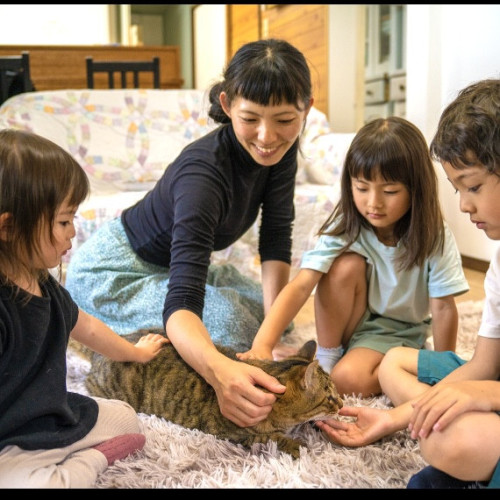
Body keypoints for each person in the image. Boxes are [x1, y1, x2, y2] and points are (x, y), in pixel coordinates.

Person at [65, 38, 314, 428]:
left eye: (284, 120)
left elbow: (276, 236)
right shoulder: (203, 176)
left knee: (274, 313)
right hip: (115, 271)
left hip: (166, 267)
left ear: (306, 110)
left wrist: (273, 328)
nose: (267, 137)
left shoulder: (282, 152)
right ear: (227, 104)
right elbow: (181, 301)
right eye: (251, 119)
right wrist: (219, 374)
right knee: (234, 328)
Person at [316, 78, 500, 489]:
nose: (464, 205)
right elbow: (485, 365)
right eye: (457, 190)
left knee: (449, 441)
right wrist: (392, 418)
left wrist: (482, 396)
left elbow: (480, 375)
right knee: (395, 364)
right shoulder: (499, 262)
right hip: (480, 380)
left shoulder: (434, 237)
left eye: (473, 187)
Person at [238, 116, 469, 398]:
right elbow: (301, 285)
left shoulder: (434, 234)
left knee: (346, 381)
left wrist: (443, 367)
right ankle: (329, 356)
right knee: (343, 265)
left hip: (400, 331)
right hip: (354, 325)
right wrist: (263, 344)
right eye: (361, 188)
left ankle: (406, 360)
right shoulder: (348, 224)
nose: (373, 203)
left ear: (415, 189)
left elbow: (444, 308)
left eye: (390, 191)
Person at [0, 129, 169, 488]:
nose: (73, 233)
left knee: (125, 417)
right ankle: (92, 458)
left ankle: (63, 456)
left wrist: (135, 353)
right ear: (10, 227)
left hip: (49, 418)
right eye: (64, 221)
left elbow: (87, 327)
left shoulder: (44, 285)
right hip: (7, 440)